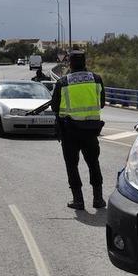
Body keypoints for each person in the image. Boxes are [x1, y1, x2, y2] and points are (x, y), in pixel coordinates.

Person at [49, 50, 105, 210]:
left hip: (70, 133)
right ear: (85, 62)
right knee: (94, 164)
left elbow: (54, 107)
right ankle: (98, 199)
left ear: (70, 63)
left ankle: (78, 200)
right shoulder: (96, 79)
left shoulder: (63, 82)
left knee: (72, 166)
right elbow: (101, 103)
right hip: (91, 131)